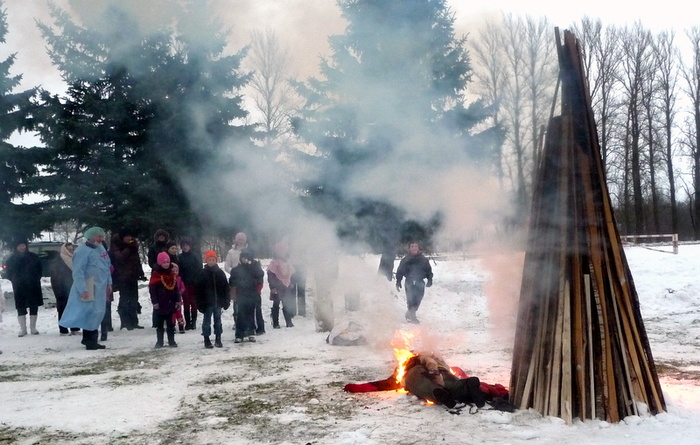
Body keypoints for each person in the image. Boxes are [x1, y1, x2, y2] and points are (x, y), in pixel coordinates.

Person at [59, 227, 112, 350]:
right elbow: (78, 272)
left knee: (98, 312)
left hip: (100, 286)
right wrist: (82, 289)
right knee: (90, 312)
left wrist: (109, 283)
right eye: (99, 236)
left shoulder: (101, 248)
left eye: (102, 236)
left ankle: (90, 339)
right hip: (89, 285)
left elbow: (107, 266)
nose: (101, 239)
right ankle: (90, 340)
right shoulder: (81, 251)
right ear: (91, 237)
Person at [5, 238, 43, 337]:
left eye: (24, 245)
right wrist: (15, 280)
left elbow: (39, 269)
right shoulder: (12, 259)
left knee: (34, 306)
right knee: (21, 307)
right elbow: (9, 273)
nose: (22, 247)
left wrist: (35, 278)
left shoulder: (33, 257)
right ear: (16, 247)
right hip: (19, 286)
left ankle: (33, 327)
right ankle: (23, 329)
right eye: (20, 245)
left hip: (33, 285)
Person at [110, 228, 146, 330]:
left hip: (133, 276)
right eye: (127, 236)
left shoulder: (133, 245)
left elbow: (137, 260)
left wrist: (141, 273)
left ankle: (134, 321)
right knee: (124, 299)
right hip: (122, 276)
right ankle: (125, 322)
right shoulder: (117, 245)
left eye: (130, 236)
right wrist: (128, 249)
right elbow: (119, 258)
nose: (129, 238)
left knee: (134, 299)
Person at [194, 250, 230, 348]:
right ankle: (206, 339)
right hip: (207, 304)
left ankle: (218, 338)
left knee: (218, 321)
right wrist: (200, 304)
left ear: (216, 260)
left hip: (218, 303)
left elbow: (226, 288)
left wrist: (226, 301)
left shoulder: (220, 273)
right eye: (209, 260)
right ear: (206, 261)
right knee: (206, 322)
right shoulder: (202, 273)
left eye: (213, 260)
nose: (211, 261)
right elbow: (198, 290)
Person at [229, 248, 264, 343]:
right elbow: (232, 281)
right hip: (241, 295)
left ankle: (250, 332)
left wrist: (255, 265)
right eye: (243, 257)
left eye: (247, 257)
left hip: (252, 294)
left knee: (251, 314)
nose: (245, 259)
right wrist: (234, 291)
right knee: (240, 314)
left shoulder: (254, 268)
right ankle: (239, 334)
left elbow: (260, 274)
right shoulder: (236, 269)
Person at [395, 242, 433, 324]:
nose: (414, 248)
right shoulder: (405, 260)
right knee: (410, 299)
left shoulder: (424, 260)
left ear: (418, 248)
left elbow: (429, 271)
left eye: (416, 246)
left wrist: (430, 279)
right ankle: (412, 316)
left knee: (418, 299)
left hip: (420, 282)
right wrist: (398, 281)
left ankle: (410, 312)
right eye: (412, 246)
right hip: (409, 282)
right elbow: (400, 271)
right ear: (409, 249)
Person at [149, 252, 181, 348]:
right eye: (164, 262)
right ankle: (160, 341)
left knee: (170, 324)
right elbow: (152, 290)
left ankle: (171, 341)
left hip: (170, 303)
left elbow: (175, 289)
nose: (166, 264)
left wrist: (177, 300)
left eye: (167, 262)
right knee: (160, 325)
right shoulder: (156, 275)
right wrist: (154, 301)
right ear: (160, 263)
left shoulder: (172, 274)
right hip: (160, 304)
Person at [50, 242, 81, 336]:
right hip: (62, 289)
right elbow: (55, 276)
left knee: (74, 308)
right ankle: (63, 329)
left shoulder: (74, 259)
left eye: (72, 249)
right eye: (69, 249)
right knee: (62, 309)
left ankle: (75, 328)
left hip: (73, 287)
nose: (71, 251)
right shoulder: (58, 260)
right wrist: (58, 290)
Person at [267, 241, 296, 329]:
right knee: (276, 304)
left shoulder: (288, 262)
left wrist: (291, 282)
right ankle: (275, 322)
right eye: (280, 251)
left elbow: (292, 274)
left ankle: (288, 321)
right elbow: (270, 275)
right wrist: (272, 287)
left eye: (284, 250)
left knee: (286, 304)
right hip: (277, 286)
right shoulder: (274, 263)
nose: (282, 252)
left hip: (286, 286)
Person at [224, 232, 248, 329]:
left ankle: (247, 321)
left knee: (247, 302)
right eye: (239, 239)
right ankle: (237, 322)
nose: (241, 241)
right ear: (236, 240)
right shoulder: (231, 252)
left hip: (247, 280)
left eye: (242, 239)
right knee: (236, 302)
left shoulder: (248, 251)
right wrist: (234, 272)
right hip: (235, 281)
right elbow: (227, 266)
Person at [177, 237, 201, 330]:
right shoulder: (179, 257)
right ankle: (187, 322)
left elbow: (199, 269)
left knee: (194, 303)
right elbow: (178, 270)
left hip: (194, 283)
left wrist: (198, 280)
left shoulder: (195, 256)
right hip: (184, 284)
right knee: (186, 303)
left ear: (190, 246)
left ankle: (193, 322)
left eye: (187, 245)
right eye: (183, 246)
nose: (185, 247)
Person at [171, 263, 187, 334]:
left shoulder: (179, 279)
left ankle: (181, 326)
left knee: (179, 314)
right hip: (171, 300)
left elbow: (183, 287)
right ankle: (172, 326)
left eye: (176, 271)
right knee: (172, 314)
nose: (175, 272)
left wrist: (180, 292)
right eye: (173, 271)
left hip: (178, 300)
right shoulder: (169, 279)